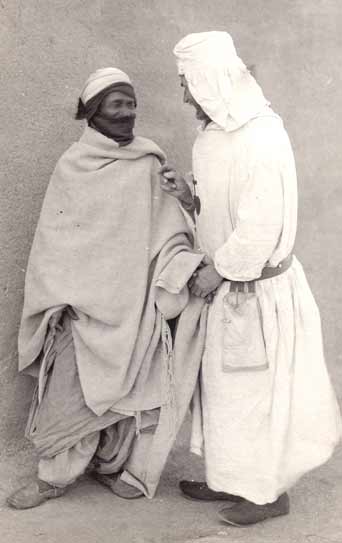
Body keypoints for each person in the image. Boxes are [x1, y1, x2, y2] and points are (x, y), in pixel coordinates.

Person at [160, 31, 342, 526]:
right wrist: (187, 197)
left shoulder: (263, 135)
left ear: (211, 79)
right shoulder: (216, 134)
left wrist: (218, 269)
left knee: (255, 395)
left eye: (186, 83)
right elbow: (223, 209)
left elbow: (261, 227)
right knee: (223, 390)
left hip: (257, 291)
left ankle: (266, 493)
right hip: (228, 287)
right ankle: (229, 477)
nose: (183, 95)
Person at [7, 67, 206, 509]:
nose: (127, 113)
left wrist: (176, 260)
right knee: (70, 387)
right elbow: (53, 243)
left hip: (136, 303)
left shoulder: (150, 161)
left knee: (143, 381)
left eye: (131, 104)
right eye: (117, 105)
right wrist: (61, 298)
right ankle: (53, 477)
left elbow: (171, 231)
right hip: (84, 306)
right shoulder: (71, 166)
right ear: (93, 112)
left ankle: (125, 468)